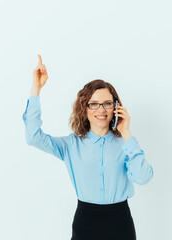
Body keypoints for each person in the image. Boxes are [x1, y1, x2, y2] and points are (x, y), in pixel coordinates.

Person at [22, 54, 154, 240]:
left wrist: (125, 131)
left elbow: (143, 177)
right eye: (94, 104)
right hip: (86, 223)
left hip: (120, 223)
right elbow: (33, 137)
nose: (101, 110)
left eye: (107, 103)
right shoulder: (70, 144)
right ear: (84, 108)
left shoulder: (126, 143)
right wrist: (36, 88)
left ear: (116, 107)